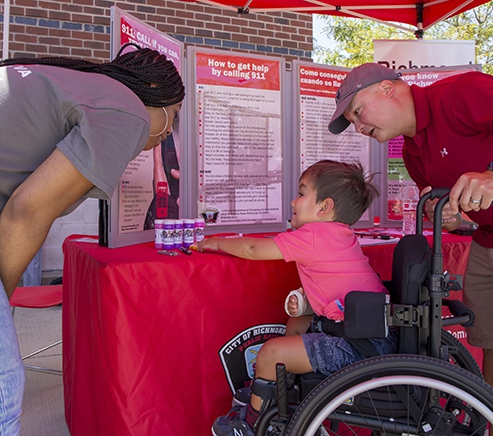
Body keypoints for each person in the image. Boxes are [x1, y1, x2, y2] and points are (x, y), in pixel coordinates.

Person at [329, 62, 493, 435]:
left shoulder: (458, 94)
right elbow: (458, 212)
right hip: (492, 238)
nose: (360, 128)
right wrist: (444, 215)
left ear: (387, 89)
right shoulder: (413, 154)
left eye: (358, 113)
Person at [0, 43, 185, 435]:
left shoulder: (82, 88)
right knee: (3, 387)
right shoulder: (127, 112)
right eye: (175, 116)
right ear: (154, 92)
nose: (169, 132)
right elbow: (26, 212)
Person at [196, 160, 398, 436]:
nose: (293, 200)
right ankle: (282, 393)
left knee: (270, 354)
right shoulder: (341, 234)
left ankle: (250, 425)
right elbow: (337, 284)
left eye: (302, 194)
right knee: (297, 322)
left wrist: (216, 241)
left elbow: (254, 248)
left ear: (324, 207)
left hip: (358, 346)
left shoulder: (314, 234)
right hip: (374, 335)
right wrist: (305, 303)